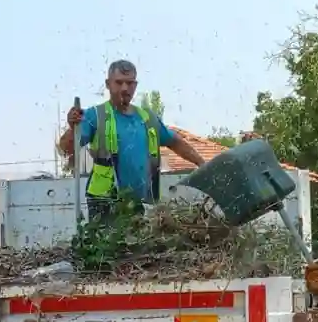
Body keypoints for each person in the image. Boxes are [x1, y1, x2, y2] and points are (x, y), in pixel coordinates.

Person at [57, 60, 207, 220]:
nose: (124, 88)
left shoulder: (147, 119)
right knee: (107, 244)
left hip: (142, 203)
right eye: (119, 82)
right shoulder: (94, 116)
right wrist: (73, 128)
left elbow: (175, 142)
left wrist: (202, 163)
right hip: (104, 202)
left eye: (129, 83)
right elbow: (65, 149)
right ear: (108, 84)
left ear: (135, 85)